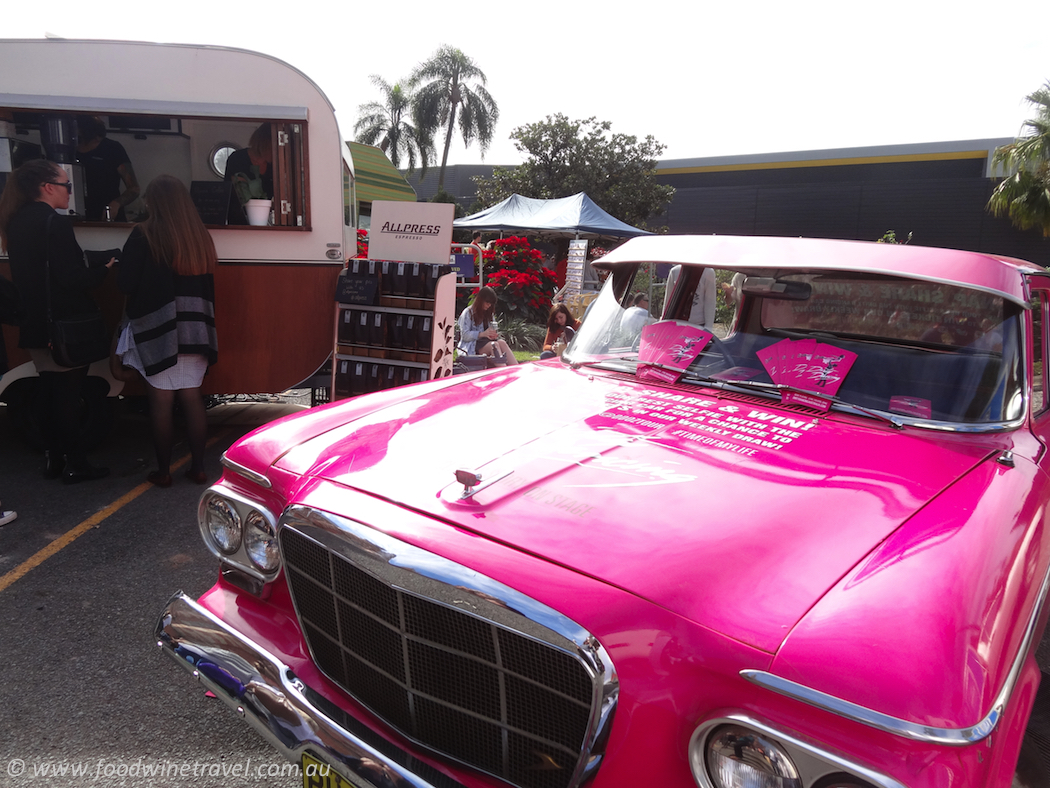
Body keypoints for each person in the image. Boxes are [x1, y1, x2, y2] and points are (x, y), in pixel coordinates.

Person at [0, 159, 114, 483]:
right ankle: (77, 463)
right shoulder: (55, 223)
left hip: (34, 322)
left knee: (49, 393)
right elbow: (72, 277)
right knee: (67, 396)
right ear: (47, 188)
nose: (69, 192)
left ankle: (53, 459)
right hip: (64, 326)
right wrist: (102, 270)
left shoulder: (16, 222)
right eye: (67, 185)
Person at [116, 175, 218, 487]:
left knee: (160, 402)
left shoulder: (144, 234)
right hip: (197, 328)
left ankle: (164, 472)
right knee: (192, 397)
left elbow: (125, 284)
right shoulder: (200, 237)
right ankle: (199, 468)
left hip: (160, 328)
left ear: (153, 202)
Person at [76, 116, 140, 221]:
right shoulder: (69, 150)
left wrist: (116, 203)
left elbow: (134, 188)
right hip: (78, 216)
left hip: (109, 217)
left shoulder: (112, 148)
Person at [457, 286, 518, 365]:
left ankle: (516, 368)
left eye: (491, 304)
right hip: (473, 345)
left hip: (486, 342)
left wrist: (493, 334)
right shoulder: (468, 313)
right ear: (480, 300)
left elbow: (492, 329)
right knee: (494, 345)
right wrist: (482, 334)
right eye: (487, 303)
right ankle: (502, 370)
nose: (489, 305)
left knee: (502, 343)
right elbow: (465, 335)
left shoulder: (488, 313)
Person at [224, 123, 274, 205]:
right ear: (263, 143)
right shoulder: (237, 158)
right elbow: (239, 191)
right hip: (239, 213)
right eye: (271, 146)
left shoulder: (277, 165)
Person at [664, 265, 716, 331]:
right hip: (677, 323)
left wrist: (708, 329)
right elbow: (668, 301)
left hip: (698, 324)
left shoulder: (708, 272)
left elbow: (710, 303)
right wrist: (665, 322)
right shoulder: (675, 271)